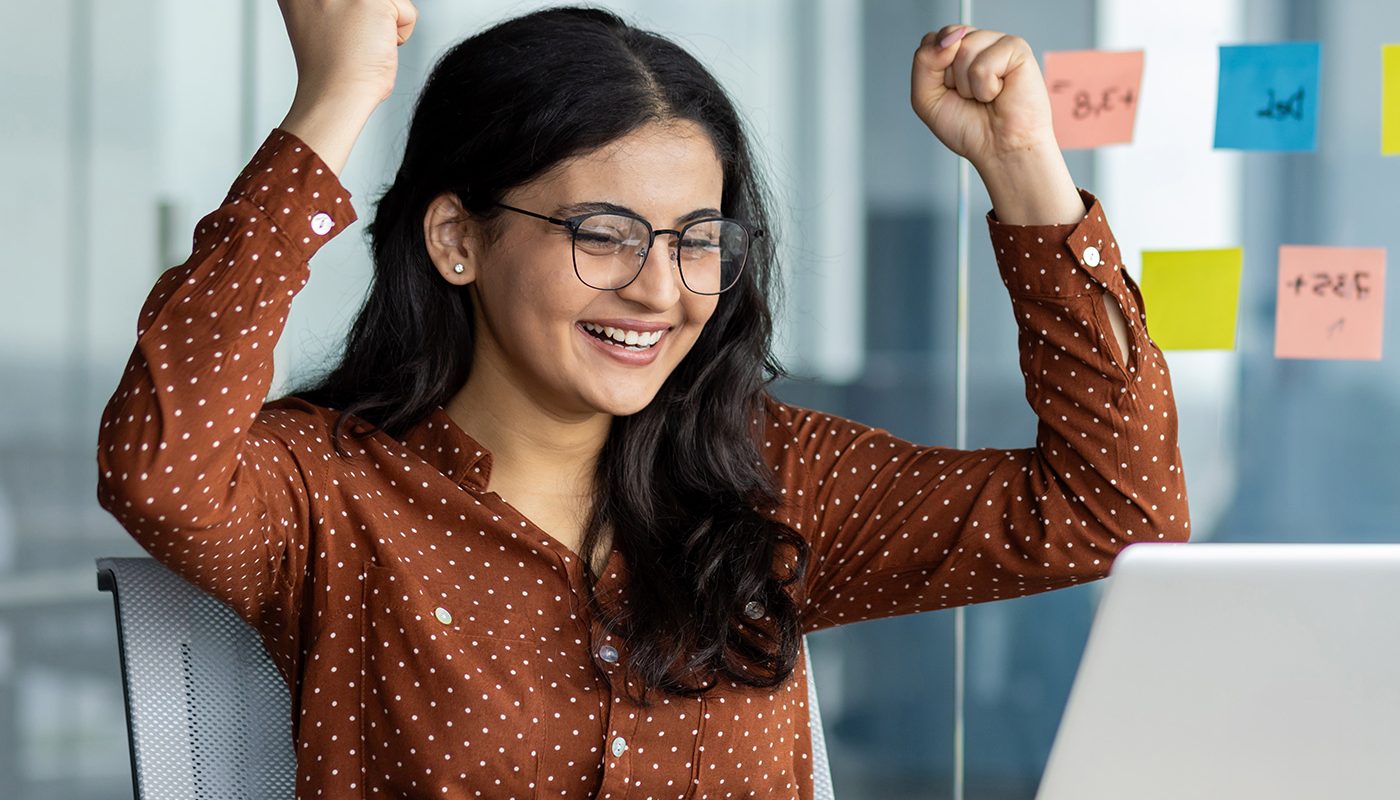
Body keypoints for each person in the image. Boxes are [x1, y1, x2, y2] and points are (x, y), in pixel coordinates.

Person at [93, 2, 1189, 797]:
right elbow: (157, 465)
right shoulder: (324, 492)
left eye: (697, 240)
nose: (660, 289)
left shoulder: (766, 478)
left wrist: (1024, 169)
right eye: (603, 234)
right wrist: (333, 104)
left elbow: (1118, 505)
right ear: (456, 239)